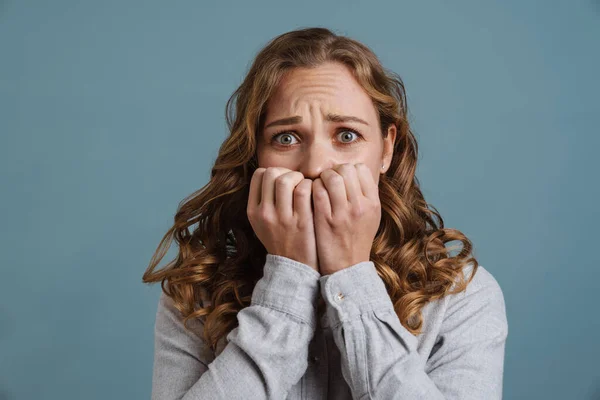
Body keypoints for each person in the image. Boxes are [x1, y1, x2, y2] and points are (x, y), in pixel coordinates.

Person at [142, 26, 508, 400]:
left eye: (346, 135)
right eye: (286, 138)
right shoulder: (195, 295)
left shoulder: (460, 296)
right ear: (256, 157)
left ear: (386, 151)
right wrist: (287, 283)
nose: (315, 165)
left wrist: (352, 276)